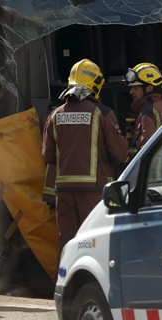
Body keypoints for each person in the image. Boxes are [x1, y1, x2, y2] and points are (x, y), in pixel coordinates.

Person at [42, 59, 128, 263]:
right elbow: (119, 154)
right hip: (95, 192)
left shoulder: (54, 115)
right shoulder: (103, 113)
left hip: (63, 192)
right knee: (94, 244)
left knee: (67, 244)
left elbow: (48, 157)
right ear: (96, 84)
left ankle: (64, 288)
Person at [122, 63, 162, 160]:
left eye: (135, 87)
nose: (131, 92)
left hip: (155, 173)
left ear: (149, 88)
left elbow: (145, 152)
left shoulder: (147, 113)